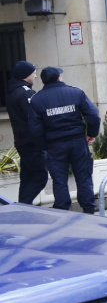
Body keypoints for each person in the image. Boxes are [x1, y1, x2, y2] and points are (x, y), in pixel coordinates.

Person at [27, 67, 100, 213]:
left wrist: (44, 146)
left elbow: (35, 128)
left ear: (42, 81)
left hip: (54, 145)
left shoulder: (37, 99)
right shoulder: (76, 92)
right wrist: (91, 133)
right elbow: (93, 116)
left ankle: (62, 211)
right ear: (59, 78)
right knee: (84, 177)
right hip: (78, 142)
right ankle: (89, 210)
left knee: (59, 181)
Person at [6, 61, 48, 204]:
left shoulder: (13, 91)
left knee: (27, 176)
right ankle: (23, 205)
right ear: (25, 75)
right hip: (32, 142)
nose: (36, 76)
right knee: (40, 176)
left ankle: (23, 207)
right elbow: (33, 117)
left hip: (22, 141)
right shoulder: (25, 93)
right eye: (33, 72)